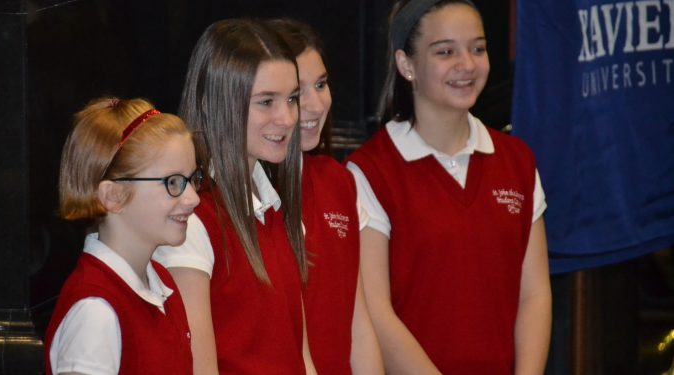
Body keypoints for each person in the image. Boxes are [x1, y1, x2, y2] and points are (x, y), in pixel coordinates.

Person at [345, 1, 552, 373]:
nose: (468, 64)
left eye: (478, 48)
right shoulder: (370, 170)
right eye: (446, 52)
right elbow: (376, 311)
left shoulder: (517, 161)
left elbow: (534, 294)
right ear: (407, 65)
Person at [153, 19, 316, 374]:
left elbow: (299, 356)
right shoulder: (191, 220)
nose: (287, 118)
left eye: (291, 99)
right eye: (266, 102)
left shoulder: (276, 207)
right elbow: (199, 366)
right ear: (219, 103)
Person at [44, 97, 200, 375]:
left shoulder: (161, 282)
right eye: (173, 182)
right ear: (113, 196)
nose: (194, 198)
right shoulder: (96, 311)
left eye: (192, 179)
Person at [268, 18, 384, 375]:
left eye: (321, 84)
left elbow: (357, 319)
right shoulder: (235, 198)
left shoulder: (339, 182)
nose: (316, 105)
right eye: (296, 92)